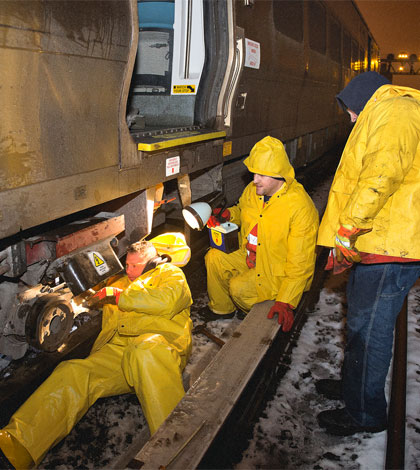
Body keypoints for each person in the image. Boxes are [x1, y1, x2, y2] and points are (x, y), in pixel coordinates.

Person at [0, 236, 193, 469]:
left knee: (145, 352)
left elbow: (167, 301)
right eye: (128, 265)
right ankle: (16, 446)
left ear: (151, 263)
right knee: (74, 372)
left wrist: (120, 296)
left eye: (135, 266)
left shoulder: (169, 274)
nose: (129, 270)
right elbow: (86, 301)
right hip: (119, 352)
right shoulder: (120, 283)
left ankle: (179, 451)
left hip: (160, 346)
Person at [316, 71, 420, 436]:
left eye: (350, 112)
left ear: (363, 99)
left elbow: (380, 176)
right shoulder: (389, 110)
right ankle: (353, 389)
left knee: (369, 329)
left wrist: (349, 228)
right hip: (379, 242)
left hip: (388, 244)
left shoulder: (394, 111)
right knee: (361, 321)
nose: (350, 119)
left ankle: (365, 413)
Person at [204, 136, 319, 331]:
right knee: (214, 257)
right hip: (251, 255)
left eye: (262, 175)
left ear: (279, 175)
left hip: (276, 271)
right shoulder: (253, 191)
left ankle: (251, 315)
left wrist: (286, 301)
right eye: (254, 173)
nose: (255, 179)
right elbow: (242, 211)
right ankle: (222, 310)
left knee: (238, 288)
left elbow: (301, 263)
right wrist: (228, 215)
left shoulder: (299, 207)